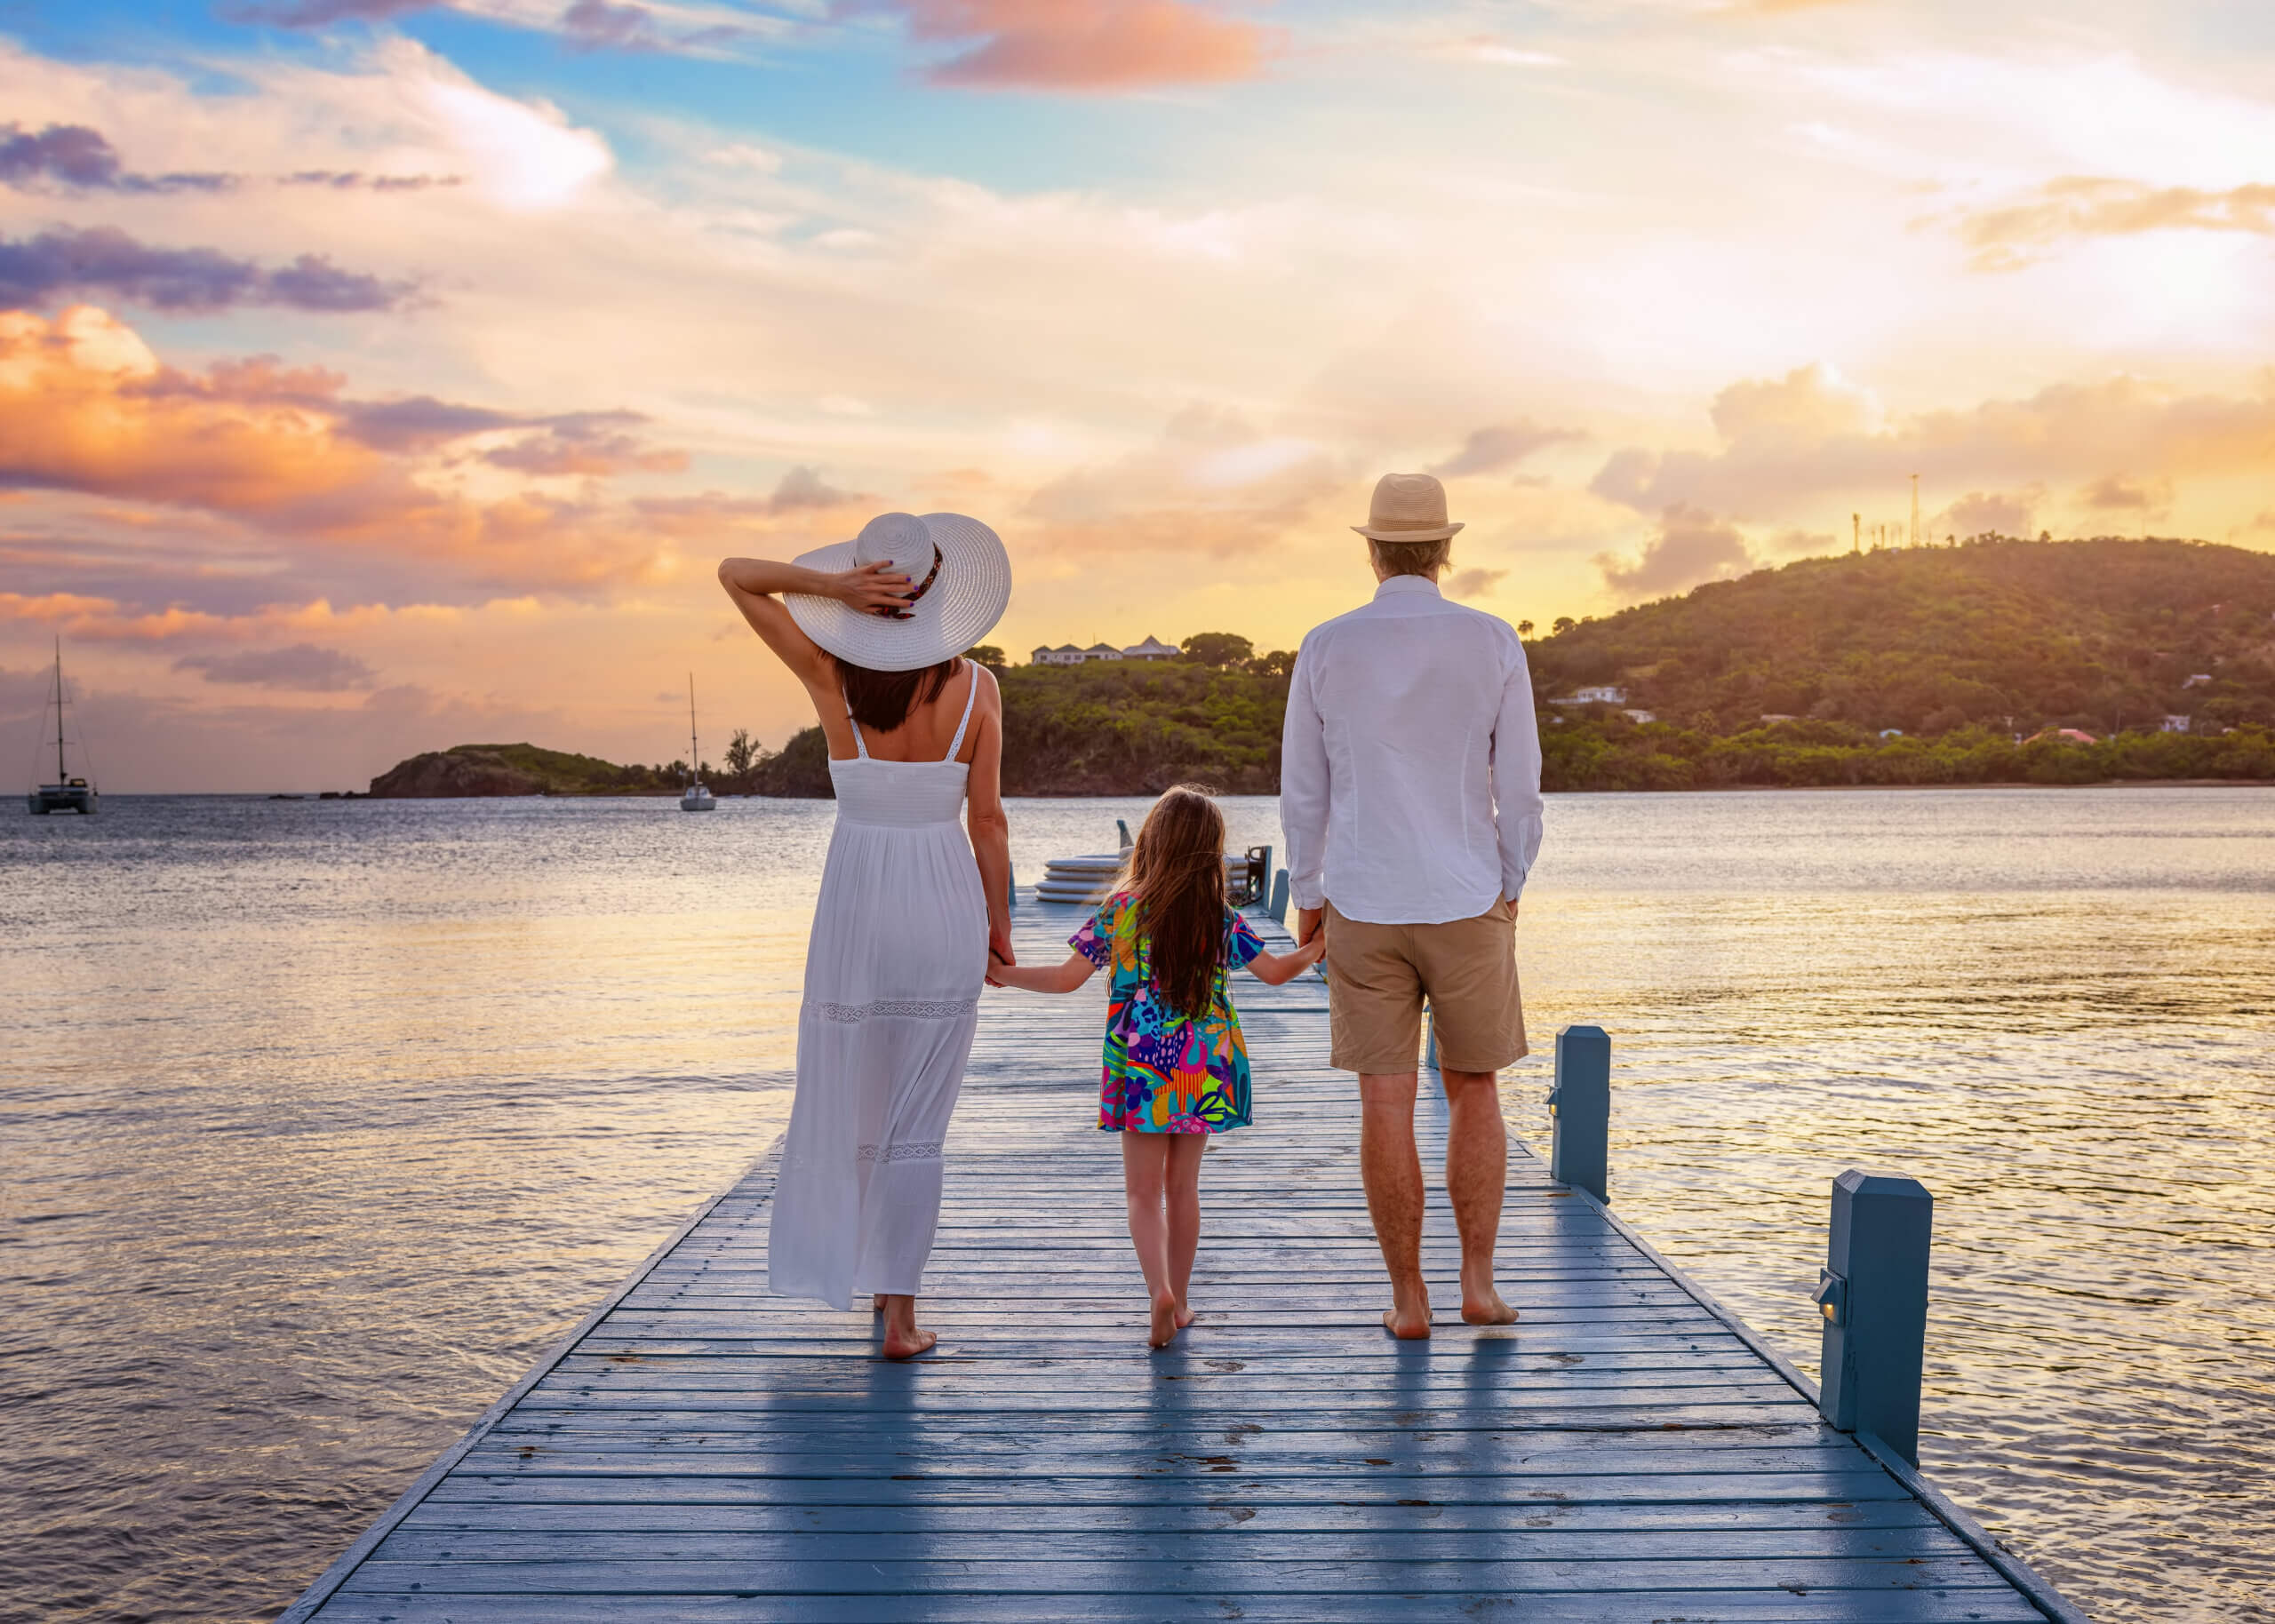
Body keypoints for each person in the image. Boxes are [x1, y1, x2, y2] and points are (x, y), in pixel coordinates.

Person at [717, 510, 1015, 1359]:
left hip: (857, 897)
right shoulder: (980, 690)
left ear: (867, 598)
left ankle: (858, 1280)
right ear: (940, 598)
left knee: (857, 1093)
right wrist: (998, 929)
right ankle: (900, 1315)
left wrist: (828, 588)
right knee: (919, 1117)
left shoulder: (830, 673)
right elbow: (987, 823)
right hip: (945, 895)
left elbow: (737, 572)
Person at [1279, 472, 1544, 1341]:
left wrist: (1310, 899)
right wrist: (1509, 882)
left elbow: (1302, 794)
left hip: (1361, 898)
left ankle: (1409, 1301)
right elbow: (1521, 787)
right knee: (1475, 1094)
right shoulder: (1493, 640)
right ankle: (1476, 1284)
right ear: (1443, 549)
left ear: (1371, 547)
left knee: (1384, 1104)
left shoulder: (1324, 645)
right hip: (1468, 896)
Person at [988, 786, 1324, 1348]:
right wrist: (1318, 946)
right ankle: (1184, 1301)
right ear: (1208, 853)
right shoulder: (1218, 917)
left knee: (1143, 1193)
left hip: (1140, 1064)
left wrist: (1002, 973)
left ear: (1151, 843)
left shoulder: (1120, 910)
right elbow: (1275, 972)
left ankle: (1159, 1291)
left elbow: (1067, 978)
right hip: (1204, 1065)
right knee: (1183, 1188)